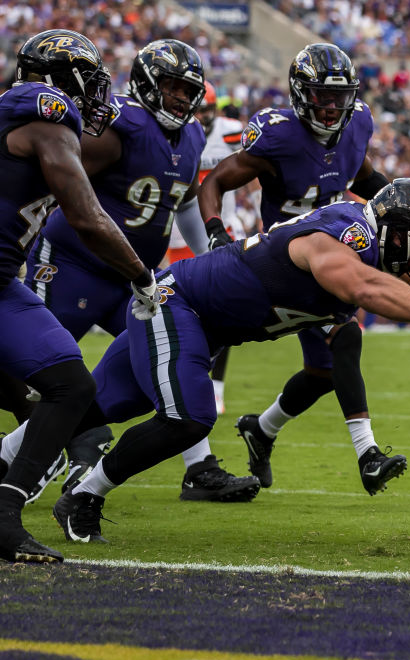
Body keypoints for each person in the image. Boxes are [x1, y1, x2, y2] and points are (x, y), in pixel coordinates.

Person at [7, 179, 410, 545]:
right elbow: (361, 287)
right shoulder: (348, 231)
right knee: (189, 418)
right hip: (177, 305)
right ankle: (86, 495)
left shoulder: (375, 249)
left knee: (92, 409)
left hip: (202, 324)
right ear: (400, 231)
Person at [11, 40, 260, 506]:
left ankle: (198, 468)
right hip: (72, 264)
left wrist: (206, 253)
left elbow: (182, 200)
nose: (182, 99)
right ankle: (37, 456)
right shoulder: (118, 125)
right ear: (147, 82)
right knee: (31, 372)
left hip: (133, 276)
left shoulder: (189, 136)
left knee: (177, 353)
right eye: (171, 87)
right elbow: (50, 175)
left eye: (189, 90)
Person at [199, 44, 409, 497]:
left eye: (340, 98)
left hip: (332, 249)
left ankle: (262, 428)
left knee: (323, 373)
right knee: (346, 336)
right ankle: (368, 454)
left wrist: (407, 204)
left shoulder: (357, 126)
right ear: (299, 94)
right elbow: (215, 181)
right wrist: (216, 231)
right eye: (322, 96)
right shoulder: (279, 137)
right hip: (285, 260)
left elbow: (363, 176)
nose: (332, 108)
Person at [0, 30, 161, 563]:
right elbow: (87, 216)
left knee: (70, 382)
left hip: (3, 281)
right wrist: (140, 274)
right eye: (88, 83)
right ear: (60, 81)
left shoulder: (24, 112)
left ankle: (3, 515)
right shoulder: (44, 113)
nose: (97, 97)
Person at [166, 80, 245, 419]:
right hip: (180, 233)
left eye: (209, 111)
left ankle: (215, 388)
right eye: (200, 110)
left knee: (224, 309)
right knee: (178, 312)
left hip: (220, 228)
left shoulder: (231, 132)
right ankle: (178, 381)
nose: (205, 117)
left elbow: (254, 171)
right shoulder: (178, 133)